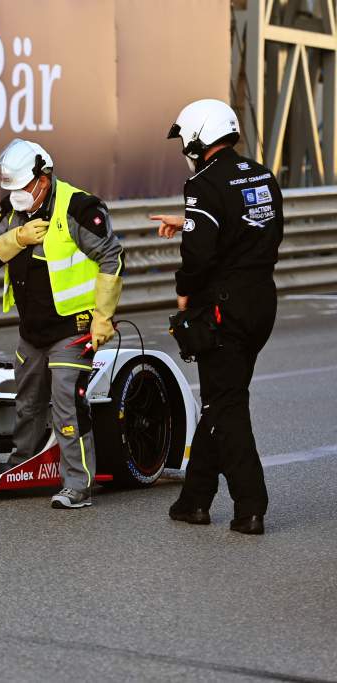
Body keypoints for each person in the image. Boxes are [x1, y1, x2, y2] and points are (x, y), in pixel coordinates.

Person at [152, 98, 283, 535]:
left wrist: (184, 292)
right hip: (262, 300)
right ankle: (194, 501)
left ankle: (250, 506)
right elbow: (252, 228)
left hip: (224, 307)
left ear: (198, 137)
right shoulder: (261, 174)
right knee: (220, 399)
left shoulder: (204, 184)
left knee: (226, 405)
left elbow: (199, 257)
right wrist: (190, 219)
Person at [0, 139, 124, 509]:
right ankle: (21, 468)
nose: (16, 195)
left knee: (66, 405)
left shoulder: (79, 207)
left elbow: (111, 258)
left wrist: (103, 317)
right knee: (27, 403)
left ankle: (78, 484)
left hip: (72, 329)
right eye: (10, 189)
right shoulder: (11, 212)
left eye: (22, 187)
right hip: (32, 331)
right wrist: (16, 238)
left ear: (44, 178)